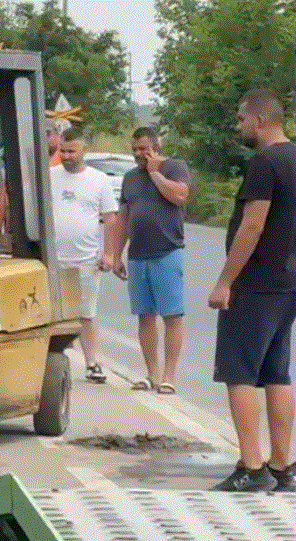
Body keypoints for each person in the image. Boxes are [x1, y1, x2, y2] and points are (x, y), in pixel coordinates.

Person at [209, 89, 295, 492]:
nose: (237, 125)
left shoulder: (264, 164)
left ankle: (252, 466)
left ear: (260, 120)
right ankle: (283, 465)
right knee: (277, 372)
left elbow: (253, 225)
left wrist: (226, 281)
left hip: (256, 284)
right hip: (289, 282)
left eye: (241, 118)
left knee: (240, 371)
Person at [111, 127, 189, 395]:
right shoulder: (130, 178)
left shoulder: (174, 167)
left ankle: (169, 376)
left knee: (172, 316)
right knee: (145, 316)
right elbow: (123, 217)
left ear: (156, 146)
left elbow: (179, 196)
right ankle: (151, 374)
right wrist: (115, 253)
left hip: (168, 250)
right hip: (138, 255)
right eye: (135, 149)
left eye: (144, 149)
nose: (139, 154)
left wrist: (156, 172)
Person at [50, 127, 117, 383]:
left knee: (86, 313)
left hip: (86, 257)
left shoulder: (99, 180)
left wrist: (109, 253)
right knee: (54, 312)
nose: (66, 156)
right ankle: (53, 363)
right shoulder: (50, 176)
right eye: (63, 151)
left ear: (83, 150)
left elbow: (110, 219)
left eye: (72, 151)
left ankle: (91, 363)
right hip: (55, 256)